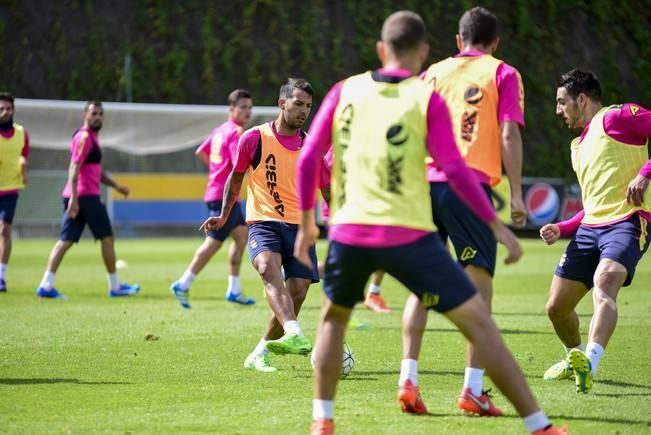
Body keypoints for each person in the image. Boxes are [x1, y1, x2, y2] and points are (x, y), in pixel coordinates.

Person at [295, 11, 566, 435]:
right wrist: (497, 227)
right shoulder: (428, 97)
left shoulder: (345, 90)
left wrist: (306, 224)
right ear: (423, 52)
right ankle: (537, 425)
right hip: (408, 231)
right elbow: (455, 168)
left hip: (350, 230)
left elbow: (311, 157)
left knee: (333, 318)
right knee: (479, 319)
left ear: (380, 49)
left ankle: (324, 420)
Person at [400, 6, 527, 417]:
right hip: (468, 186)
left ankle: (408, 381)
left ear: (458, 40)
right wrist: (518, 193)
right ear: (495, 43)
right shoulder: (502, 72)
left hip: (423, 184)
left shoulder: (431, 72)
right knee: (477, 288)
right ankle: (473, 389)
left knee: (421, 285)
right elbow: (508, 132)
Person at [201, 78, 328, 373]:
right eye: (298, 104)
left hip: (300, 227)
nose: (304, 111)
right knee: (267, 270)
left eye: (308, 106)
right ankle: (295, 332)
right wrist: (223, 216)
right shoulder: (254, 138)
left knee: (297, 291)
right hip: (263, 222)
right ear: (282, 103)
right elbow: (235, 178)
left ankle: (260, 352)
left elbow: (327, 189)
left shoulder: (311, 147)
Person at [540, 69, 651, 393]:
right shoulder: (578, 145)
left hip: (628, 221)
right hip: (590, 229)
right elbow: (594, 205)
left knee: (605, 281)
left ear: (582, 99)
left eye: (562, 102)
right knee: (556, 308)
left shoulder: (617, 117)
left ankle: (590, 361)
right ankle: (573, 357)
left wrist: (645, 173)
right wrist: (563, 227)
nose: (558, 110)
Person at [36, 101, 140, 299]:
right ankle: (115, 287)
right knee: (107, 238)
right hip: (85, 197)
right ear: (85, 115)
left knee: (65, 241)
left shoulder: (91, 137)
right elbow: (74, 168)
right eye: (94, 113)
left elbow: (95, 172)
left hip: (80, 197)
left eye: (101, 114)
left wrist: (116, 186)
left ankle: (46, 285)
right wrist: (75, 200)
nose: (98, 117)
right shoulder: (85, 137)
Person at [170, 89, 255, 309]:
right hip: (224, 195)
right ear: (232, 109)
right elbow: (241, 163)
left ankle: (234, 289)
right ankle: (183, 283)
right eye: (243, 107)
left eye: (249, 107)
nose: (248, 111)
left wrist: (216, 172)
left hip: (219, 193)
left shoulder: (219, 131)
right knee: (213, 243)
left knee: (241, 237)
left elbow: (201, 151)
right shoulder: (236, 132)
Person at [0, 92, 29, 293]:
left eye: (8, 109)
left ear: (14, 111)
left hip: (10, 189)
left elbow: (23, 156)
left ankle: (1, 276)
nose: (5, 112)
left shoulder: (21, 133)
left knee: (4, 230)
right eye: (1, 109)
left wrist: (24, 167)